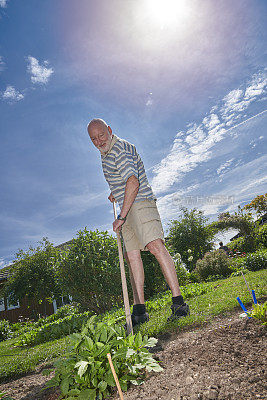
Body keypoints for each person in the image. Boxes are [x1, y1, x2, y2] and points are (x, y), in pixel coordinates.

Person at [87, 118, 190, 326]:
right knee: (132, 256)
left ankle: (179, 304)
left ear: (109, 130)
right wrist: (115, 192)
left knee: (155, 247)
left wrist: (121, 217)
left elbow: (133, 182)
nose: (98, 141)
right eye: (93, 139)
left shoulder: (119, 148)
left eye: (101, 135)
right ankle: (140, 312)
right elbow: (125, 178)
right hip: (127, 204)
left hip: (140, 203)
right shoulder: (106, 155)